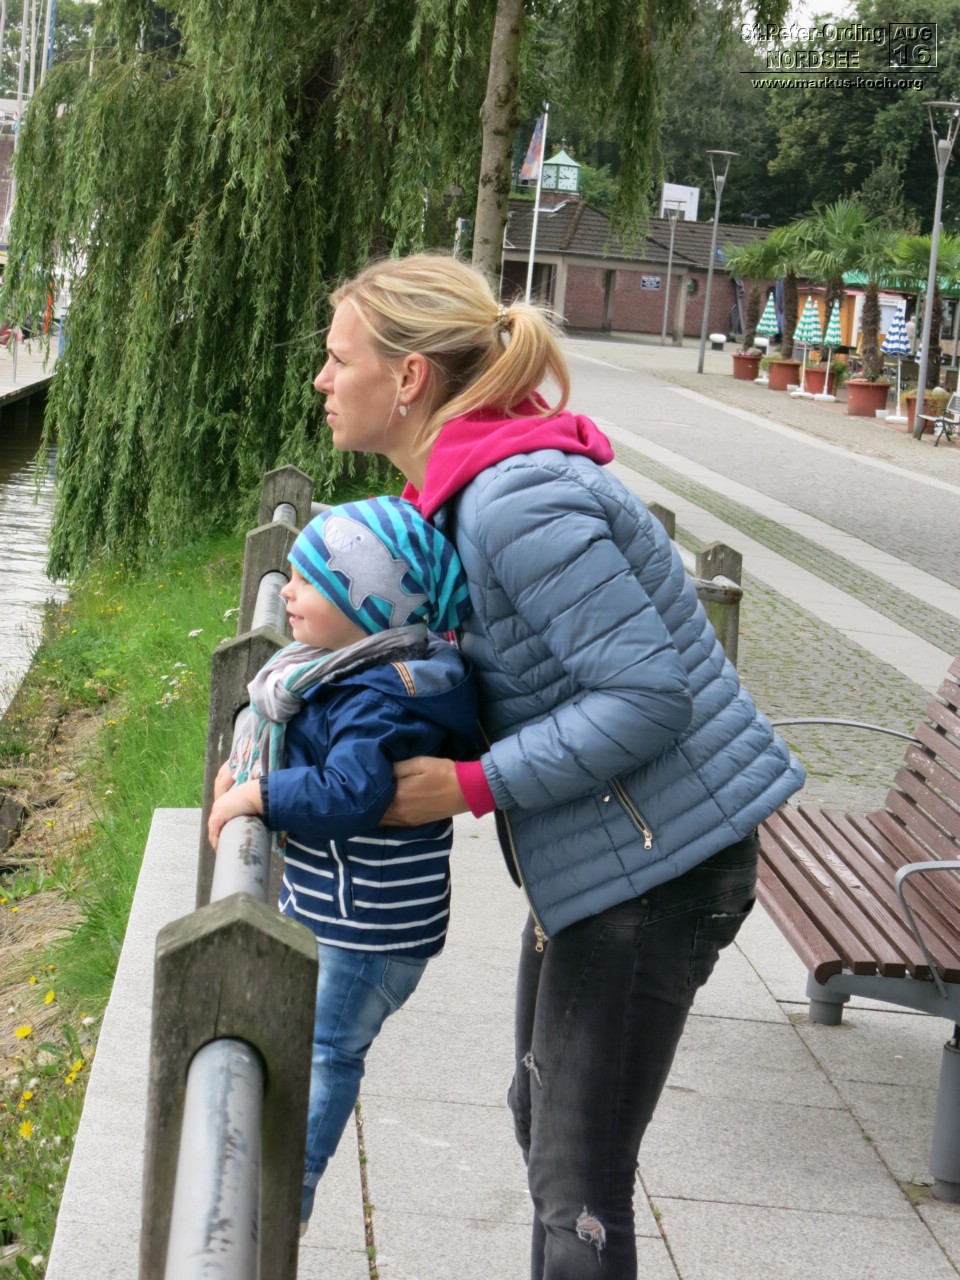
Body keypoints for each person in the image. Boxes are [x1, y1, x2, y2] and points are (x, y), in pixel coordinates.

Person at [311, 254, 806, 1280]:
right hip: (614, 854)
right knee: (545, 1127)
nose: (322, 379)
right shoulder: (472, 489)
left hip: (660, 864)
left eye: (338, 358)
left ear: (408, 379)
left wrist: (470, 785)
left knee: (577, 1191)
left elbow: (647, 696)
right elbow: (523, 674)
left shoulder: (514, 500)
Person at [207, 495, 478, 1232]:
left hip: (367, 930)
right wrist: (252, 765)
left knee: (325, 1054)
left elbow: (352, 790)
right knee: (310, 1042)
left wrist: (259, 793)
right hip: (348, 912)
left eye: (308, 581)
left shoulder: (380, 695)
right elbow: (316, 743)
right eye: (289, 578)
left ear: (369, 605)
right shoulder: (355, 669)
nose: (288, 592)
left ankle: (282, 1201)